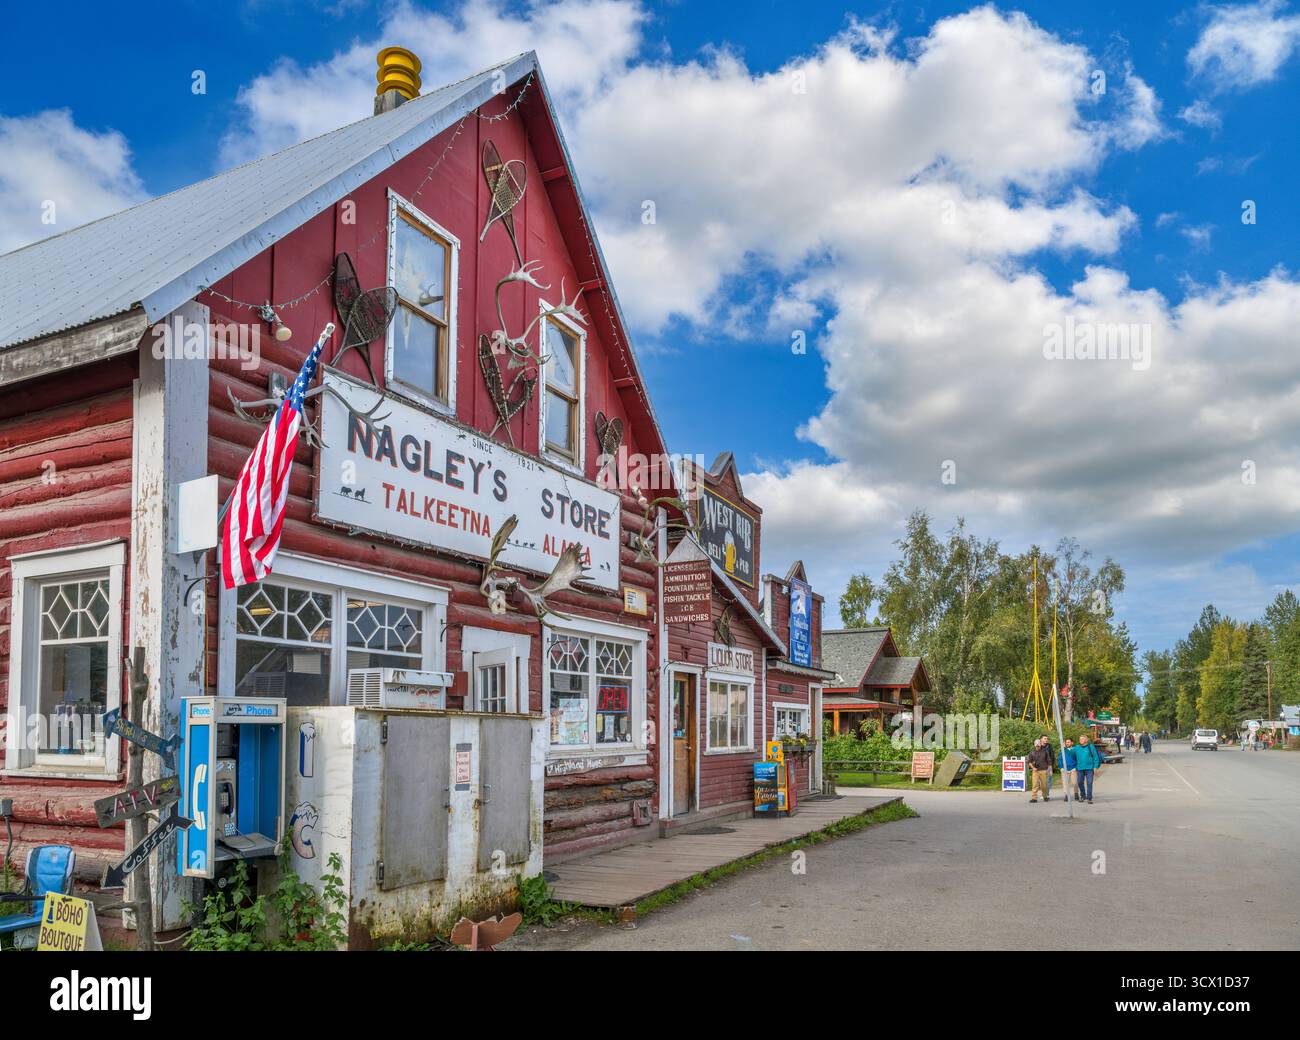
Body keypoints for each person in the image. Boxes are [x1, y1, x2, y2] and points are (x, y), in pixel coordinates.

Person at [1075, 734, 1102, 803]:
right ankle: (1083, 796)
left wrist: (1095, 767)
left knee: (1089, 783)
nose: (1080, 740)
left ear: (1086, 740)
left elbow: (1095, 757)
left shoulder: (1091, 747)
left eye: (1082, 739)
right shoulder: (1077, 747)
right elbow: (1070, 754)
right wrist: (1064, 748)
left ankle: (1089, 798)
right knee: (1080, 782)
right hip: (1080, 768)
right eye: (1080, 739)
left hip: (1089, 768)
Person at [1028, 736, 1053, 803]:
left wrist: (1050, 770)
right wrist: (1033, 768)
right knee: (1035, 785)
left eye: (1038, 746)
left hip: (1043, 770)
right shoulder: (1031, 752)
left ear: (1040, 745)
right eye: (1036, 746)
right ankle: (1034, 798)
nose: (1037, 747)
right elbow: (1029, 762)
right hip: (1035, 771)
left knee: (1044, 785)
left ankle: (1045, 796)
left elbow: (1049, 761)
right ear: (1034, 745)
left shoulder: (1045, 752)